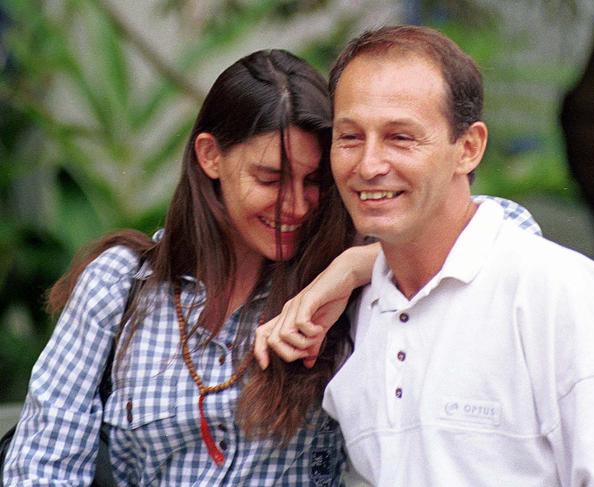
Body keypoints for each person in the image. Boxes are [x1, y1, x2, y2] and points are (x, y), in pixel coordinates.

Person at [256, 26, 594, 486]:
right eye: (349, 137)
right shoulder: (353, 314)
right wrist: (349, 269)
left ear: (468, 148)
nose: (368, 164)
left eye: (400, 137)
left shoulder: (557, 292)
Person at [4, 49, 367, 486]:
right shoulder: (119, 285)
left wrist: (352, 268)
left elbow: (461, 243)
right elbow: (43, 466)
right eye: (270, 179)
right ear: (210, 156)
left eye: (313, 181)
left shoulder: (345, 293)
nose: (295, 205)